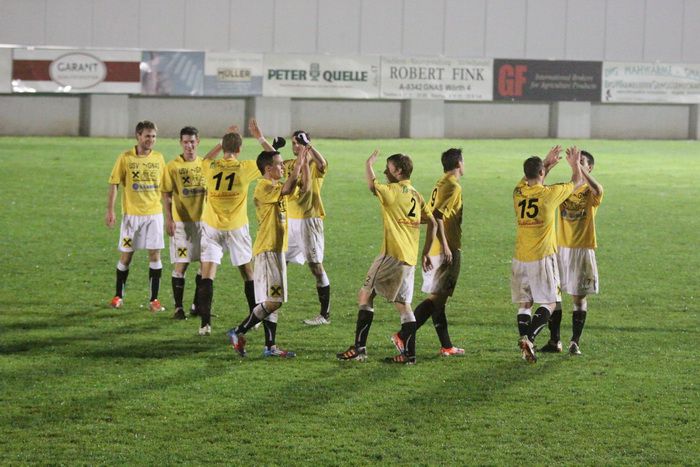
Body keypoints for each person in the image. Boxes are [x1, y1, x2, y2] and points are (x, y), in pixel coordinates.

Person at [337, 150, 436, 365]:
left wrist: (368, 164)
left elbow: (372, 186)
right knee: (404, 305)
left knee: (365, 295)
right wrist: (426, 252)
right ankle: (409, 355)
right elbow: (433, 222)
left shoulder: (392, 190)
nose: (384, 172)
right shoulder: (416, 194)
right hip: (409, 258)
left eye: (388, 169)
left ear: (398, 171)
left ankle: (359, 349)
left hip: (391, 255)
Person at [226, 147, 310, 358]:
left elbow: (304, 188)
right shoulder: (263, 187)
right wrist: (299, 162)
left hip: (277, 249)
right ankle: (238, 331)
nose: (282, 167)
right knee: (275, 301)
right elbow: (289, 187)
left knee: (272, 299)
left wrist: (305, 165)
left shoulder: (277, 186)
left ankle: (270, 347)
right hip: (267, 250)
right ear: (268, 168)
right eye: (279, 164)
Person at [248, 120, 332, 326]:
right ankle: (263, 313)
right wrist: (261, 138)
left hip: (309, 221)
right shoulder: (288, 164)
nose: (296, 146)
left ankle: (324, 314)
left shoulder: (313, 165)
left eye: (299, 142)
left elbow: (323, 164)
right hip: (287, 222)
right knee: (278, 264)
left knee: (316, 266)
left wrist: (308, 146)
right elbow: (272, 160)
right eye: (294, 142)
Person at [390, 148, 465, 357]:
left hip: (434, 248)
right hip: (444, 249)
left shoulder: (440, 182)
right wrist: (447, 247)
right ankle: (403, 335)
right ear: (459, 163)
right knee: (436, 299)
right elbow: (438, 216)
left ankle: (447, 346)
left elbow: (430, 215)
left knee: (439, 300)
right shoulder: (453, 186)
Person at [511, 145, 583, 363]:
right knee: (550, 302)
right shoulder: (549, 194)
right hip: (542, 256)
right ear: (542, 173)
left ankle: (526, 346)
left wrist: (545, 163)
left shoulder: (518, 192)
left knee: (525, 304)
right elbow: (577, 181)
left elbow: (532, 177)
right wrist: (575, 164)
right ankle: (530, 339)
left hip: (519, 257)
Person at [195, 127, 259, 336]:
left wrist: (220, 142)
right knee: (247, 272)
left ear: (223, 148)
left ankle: (205, 324)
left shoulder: (211, 167)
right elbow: (270, 159)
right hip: (236, 227)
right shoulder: (245, 168)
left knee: (207, 274)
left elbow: (205, 158)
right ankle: (254, 317)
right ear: (239, 149)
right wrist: (260, 138)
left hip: (212, 226)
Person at [539, 150, 603, 355]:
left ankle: (575, 341)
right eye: (576, 161)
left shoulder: (590, 192)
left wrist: (578, 167)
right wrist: (547, 166)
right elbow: (539, 189)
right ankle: (554, 341)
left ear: (589, 167)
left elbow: (598, 188)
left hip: (581, 250)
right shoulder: (565, 189)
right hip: (559, 249)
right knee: (553, 294)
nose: (577, 163)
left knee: (578, 298)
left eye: (582, 161)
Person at [106, 120, 167, 312]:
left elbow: (165, 187)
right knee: (126, 256)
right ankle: (118, 296)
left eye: (154, 136)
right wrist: (110, 210)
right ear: (138, 136)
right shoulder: (125, 158)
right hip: (131, 216)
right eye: (147, 136)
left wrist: (170, 213)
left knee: (155, 255)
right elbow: (114, 183)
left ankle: (154, 300)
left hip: (154, 214)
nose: (151, 140)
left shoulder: (159, 158)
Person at [162, 126, 206, 320]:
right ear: (181, 143)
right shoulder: (172, 166)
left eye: (192, 142)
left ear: (198, 142)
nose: (189, 146)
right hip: (182, 224)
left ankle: (197, 305)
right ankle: (178, 308)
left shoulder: (204, 164)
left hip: (203, 223)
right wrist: (169, 219)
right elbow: (166, 194)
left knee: (205, 264)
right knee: (182, 264)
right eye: (186, 142)